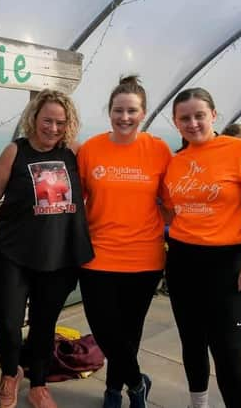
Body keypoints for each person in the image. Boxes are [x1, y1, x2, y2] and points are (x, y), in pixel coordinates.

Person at [163, 88, 241, 408]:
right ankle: (199, 404)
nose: (193, 123)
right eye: (185, 118)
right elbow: (169, 210)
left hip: (229, 261)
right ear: (176, 122)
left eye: (199, 115)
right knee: (192, 342)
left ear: (214, 115)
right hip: (183, 259)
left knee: (227, 349)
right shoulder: (177, 162)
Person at [0, 89, 94, 408]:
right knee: (7, 322)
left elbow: (99, 190)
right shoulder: (14, 152)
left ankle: (39, 384)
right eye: (47, 120)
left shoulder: (75, 153)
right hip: (12, 254)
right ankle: (9, 374)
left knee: (44, 324)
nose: (53, 128)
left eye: (61, 122)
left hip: (59, 256)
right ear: (33, 118)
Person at [76, 76, 171, 408]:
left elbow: (173, 203)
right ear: (110, 112)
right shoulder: (90, 150)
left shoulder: (158, 149)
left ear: (143, 113)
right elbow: (74, 203)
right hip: (97, 255)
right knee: (104, 328)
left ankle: (114, 391)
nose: (124, 117)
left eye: (132, 110)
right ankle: (137, 382)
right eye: (118, 110)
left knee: (129, 331)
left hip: (144, 258)